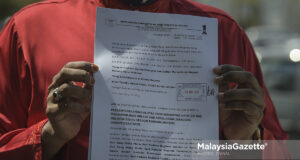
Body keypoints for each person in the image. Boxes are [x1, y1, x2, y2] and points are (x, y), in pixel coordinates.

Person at [0, 0, 290, 159]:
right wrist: (52, 136)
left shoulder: (223, 32)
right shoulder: (30, 31)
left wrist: (243, 142)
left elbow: (281, 153)